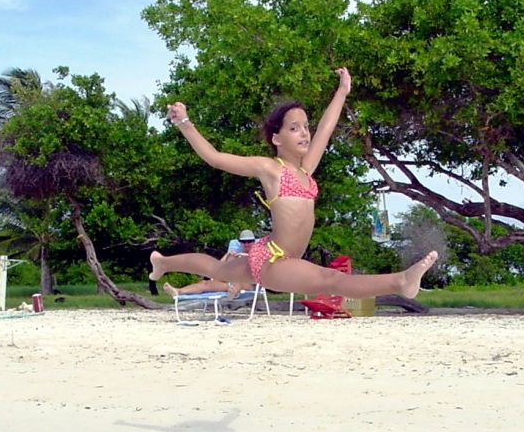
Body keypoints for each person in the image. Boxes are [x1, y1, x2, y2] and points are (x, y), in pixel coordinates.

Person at [150, 67, 438, 299]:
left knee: (218, 268)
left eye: (305, 127)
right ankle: (400, 281)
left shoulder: (306, 171)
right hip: (273, 260)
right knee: (330, 279)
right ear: (277, 138)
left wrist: (342, 92)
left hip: (280, 257)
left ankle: (162, 262)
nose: (304, 133)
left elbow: (326, 129)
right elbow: (214, 157)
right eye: (293, 128)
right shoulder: (270, 169)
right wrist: (184, 123)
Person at [161, 230, 257, 298]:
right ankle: (178, 291)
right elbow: (219, 266)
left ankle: (232, 294)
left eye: (249, 241)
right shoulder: (235, 253)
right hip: (228, 282)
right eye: (244, 242)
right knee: (205, 283)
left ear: (254, 242)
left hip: (246, 283)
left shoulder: (258, 254)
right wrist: (228, 255)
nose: (246, 244)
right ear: (240, 243)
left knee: (237, 284)